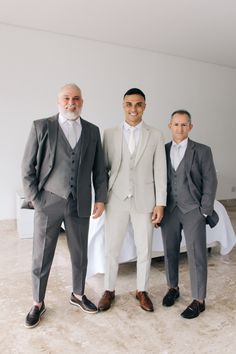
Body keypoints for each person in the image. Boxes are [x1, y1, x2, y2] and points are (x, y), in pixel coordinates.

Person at [22, 83, 107, 328]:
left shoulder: (92, 131)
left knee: (80, 253)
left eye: (77, 99)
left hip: (79, 202)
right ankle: (38, 302)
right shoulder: (42, 126)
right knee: (42, 254)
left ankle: (78, 294)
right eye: (67, 98)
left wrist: (100, 198)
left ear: (82, 101)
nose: (72, 103)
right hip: (48, 200)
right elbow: (26, 168)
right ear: (59, 101)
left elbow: (99, 170)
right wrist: (36, 199)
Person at [98, 88, 167, 312]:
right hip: (116, 198)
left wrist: (160, 203)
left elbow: (160, 171)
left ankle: (142, 290)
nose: (134, 109)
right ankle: (109, 290)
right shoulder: (109, 133)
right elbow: (103, 170)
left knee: (144, 248)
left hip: (145, 200)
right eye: (129, 104)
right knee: (112, 248)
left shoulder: (155, 135)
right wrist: (100, 198)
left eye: (138, 104)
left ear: (144, 107)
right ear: (123, 106)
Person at [161, 109, 218, 319]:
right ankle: (172, 288)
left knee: (197, 255)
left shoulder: (202, 150)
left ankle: (199, 300)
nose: (180, 128)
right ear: (170, 126)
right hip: (170, 210)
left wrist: (204, 211)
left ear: (190, 127)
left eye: (184, 124)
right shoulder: (162, 150)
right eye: (176, 124)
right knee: (170, 251)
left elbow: (211, 181)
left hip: (193, 209)